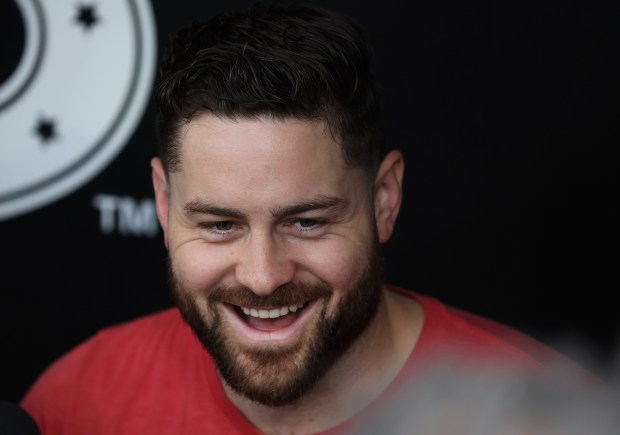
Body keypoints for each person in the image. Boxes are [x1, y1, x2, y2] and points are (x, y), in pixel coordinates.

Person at [19, 3, 596, 434]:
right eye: (221, 225)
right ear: (164, 206)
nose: (263, 277)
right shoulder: (76, 400)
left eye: (308, 222)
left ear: (384, 199)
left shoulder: (541, 416)